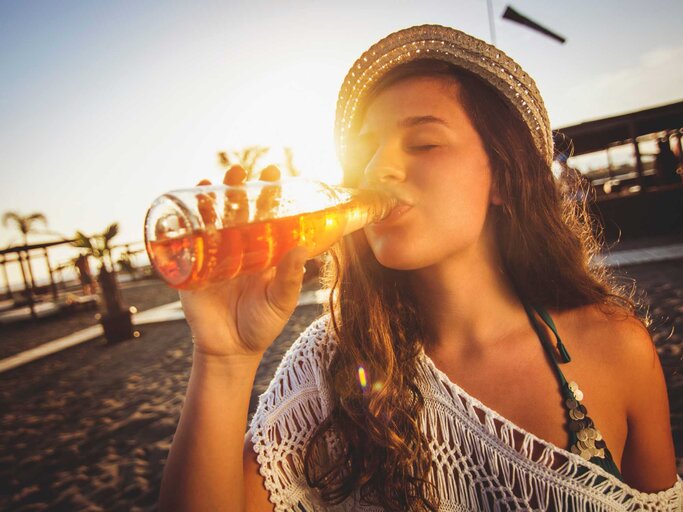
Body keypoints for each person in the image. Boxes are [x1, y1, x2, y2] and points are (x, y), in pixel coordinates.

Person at [158, 25, 681, 511]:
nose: (377, 168)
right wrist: (223, 359)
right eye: (365, 148)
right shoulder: (331, 365)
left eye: (424, 142)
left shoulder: (616, 345)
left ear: (503, 177)